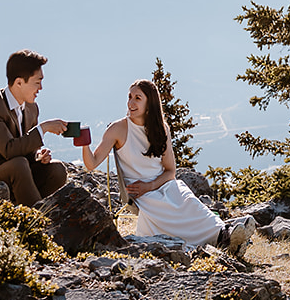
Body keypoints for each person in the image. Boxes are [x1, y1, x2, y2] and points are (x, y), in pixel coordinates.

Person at [83, 77, 254, 253]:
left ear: (150, 104)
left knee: (189, 202)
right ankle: (227, 239)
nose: (130, 103)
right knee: (165, 208)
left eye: (137, 98)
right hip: (138, 191)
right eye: (129, 96)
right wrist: (83, 142)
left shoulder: (161, 128)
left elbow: (170, 171)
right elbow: (92, 163)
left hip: (161, 183)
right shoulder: (117, 129)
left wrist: (151, 185)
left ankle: (224, 234)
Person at [0, 49, 71, 206]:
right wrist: (43, 128)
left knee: (57, 170)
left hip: (21, 171)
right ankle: (36, 220)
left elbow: (26, 146)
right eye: (37, 82)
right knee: (19, 165)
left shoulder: (31, 108)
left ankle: (41, 210)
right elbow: (10, 150)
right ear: (19, 83)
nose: (41, 88)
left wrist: (38, 154)